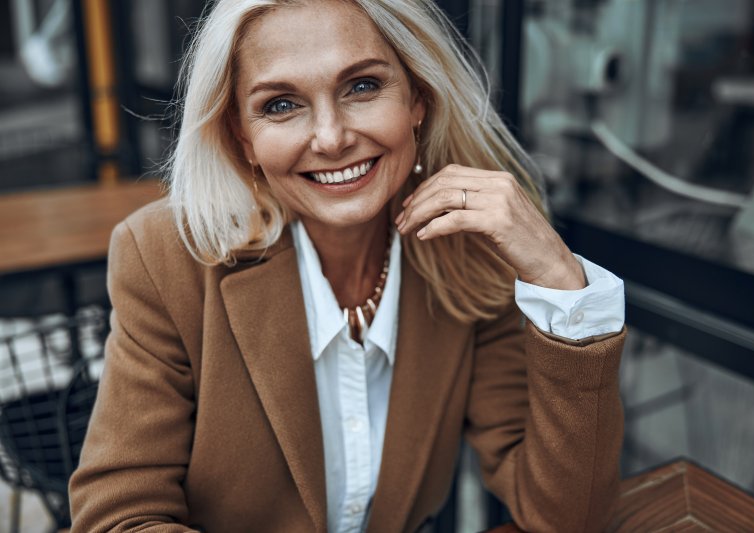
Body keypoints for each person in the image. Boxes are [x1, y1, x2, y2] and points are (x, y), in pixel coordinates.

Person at [68, 0, 626, 531]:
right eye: (280, 105)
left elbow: (567, 518)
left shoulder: (469, 251)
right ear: (244, 137)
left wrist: (562, 285)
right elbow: (117, 518)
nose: (331, 137)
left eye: (362, 86)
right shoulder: (166, 255)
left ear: (418, 100)